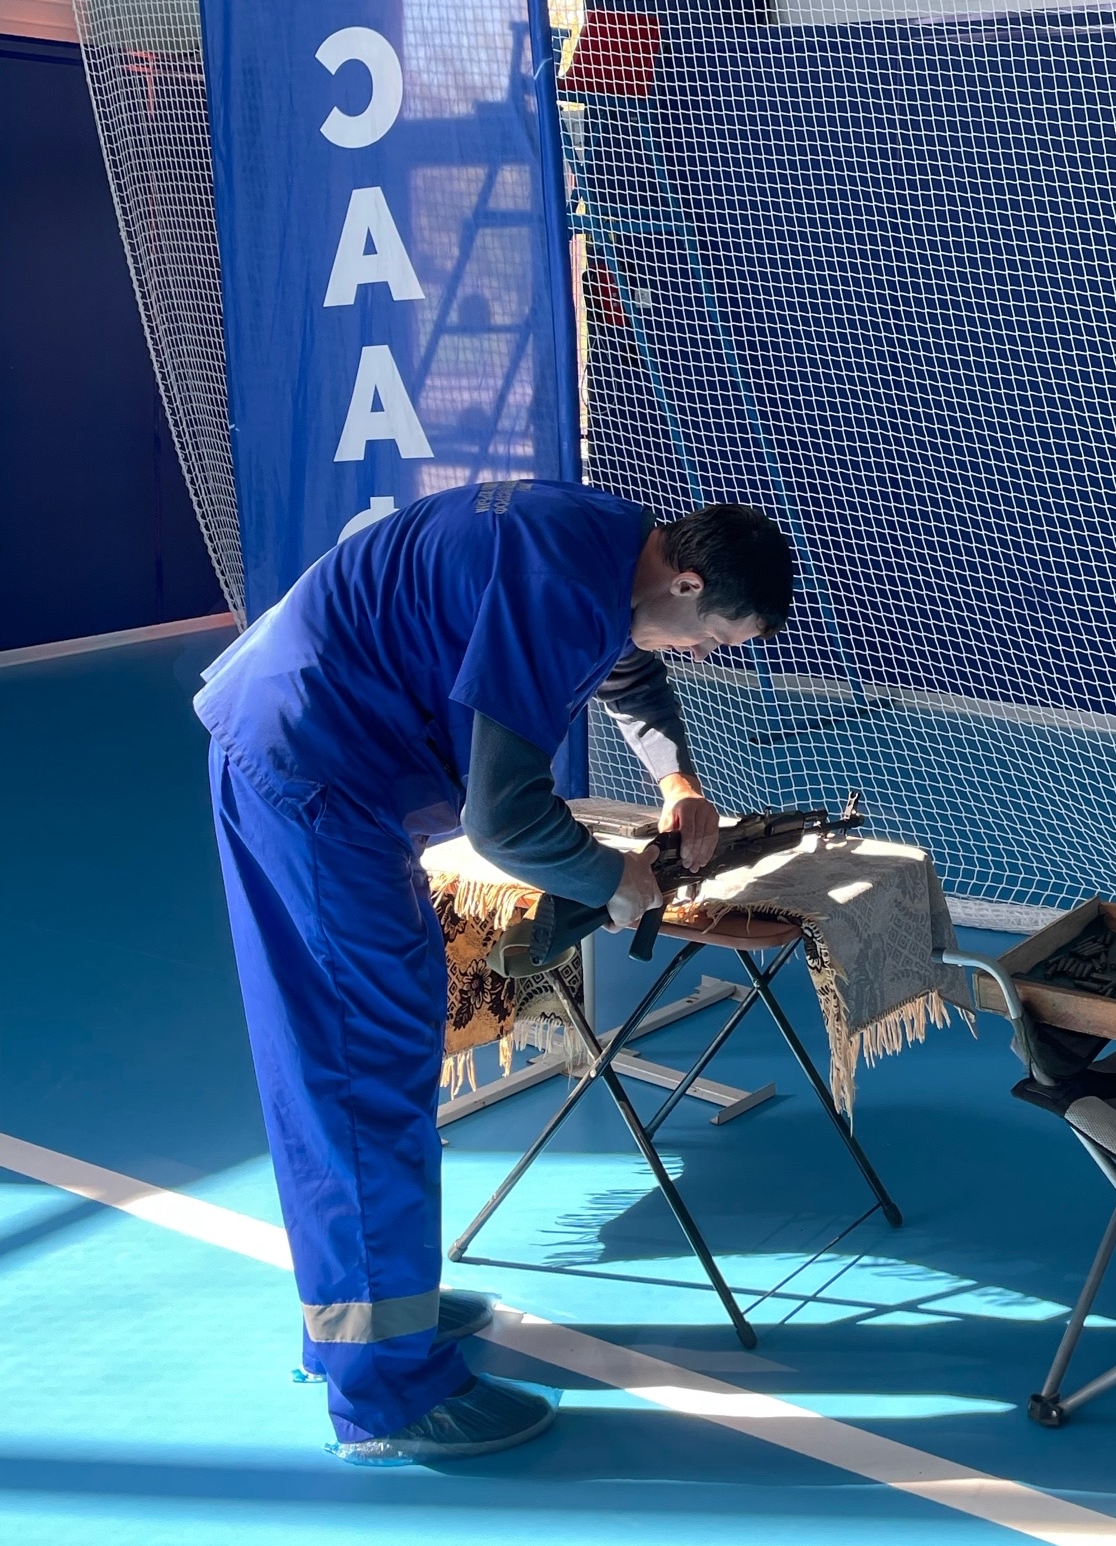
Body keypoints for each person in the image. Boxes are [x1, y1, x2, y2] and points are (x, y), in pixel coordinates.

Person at [195, 480, 794, 1464]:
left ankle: (372, 1310)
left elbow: (629, 665)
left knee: (375, 1052)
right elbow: (505, 818)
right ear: (688, 582)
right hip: (312, 772)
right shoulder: (563, 586)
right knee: (360, 1067)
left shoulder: (617, 545)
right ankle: (386, 1394)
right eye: (713, 640)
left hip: (309, 741)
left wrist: (676, 780)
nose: (701, 656)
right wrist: (615, 880)